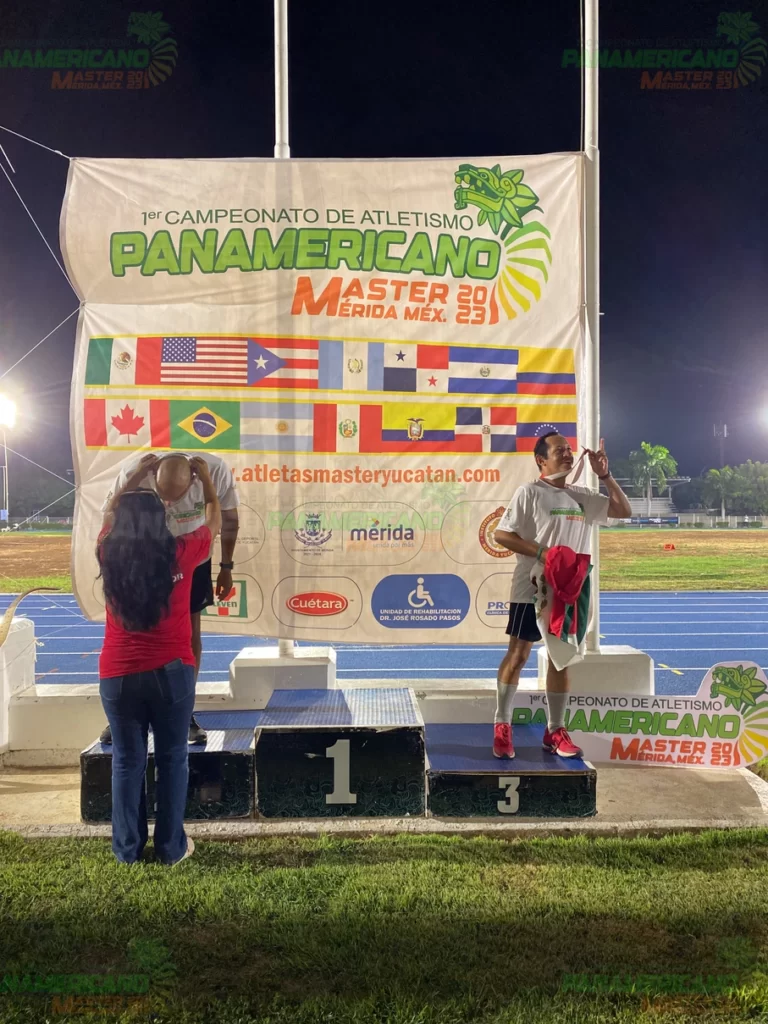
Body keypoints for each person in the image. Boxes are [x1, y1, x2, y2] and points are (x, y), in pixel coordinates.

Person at [97, 454, 222, 864]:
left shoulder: (107, 550)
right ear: (160, 521)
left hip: (118, 675)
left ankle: (127, 851)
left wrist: (136, 475)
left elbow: (111, 507)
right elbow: (214, 521)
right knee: (172, 760)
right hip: (171, 673)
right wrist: (206, 480)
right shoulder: (181, 552)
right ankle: (170, 849)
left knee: (126, 762)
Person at [492, 434, 631, 759]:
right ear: (541, 460)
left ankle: (554, 730)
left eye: (569, 450)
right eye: (559, 451)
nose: (568, 454)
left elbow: (623, 511)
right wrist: (542, 553)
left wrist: (605, 476)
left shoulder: (583, 496)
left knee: (561, 659)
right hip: (532, 587)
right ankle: (502, 724)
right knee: (518, 656)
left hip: (568, 591)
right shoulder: (530, 492)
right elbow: (501, 534)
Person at [100, 451, 240, 745]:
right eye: (163, 498)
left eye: (178, 498)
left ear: (193, 478)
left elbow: (229, 519)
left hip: (188, 557)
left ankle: (184, 712)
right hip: (139, 556)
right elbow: (214, 518)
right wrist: (138, 475)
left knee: (189, 632)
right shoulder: (133, 470)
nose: (169, 505)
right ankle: (121, 714)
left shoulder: (216, 470)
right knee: (128, 627)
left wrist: (226, 567)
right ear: (153, 476)